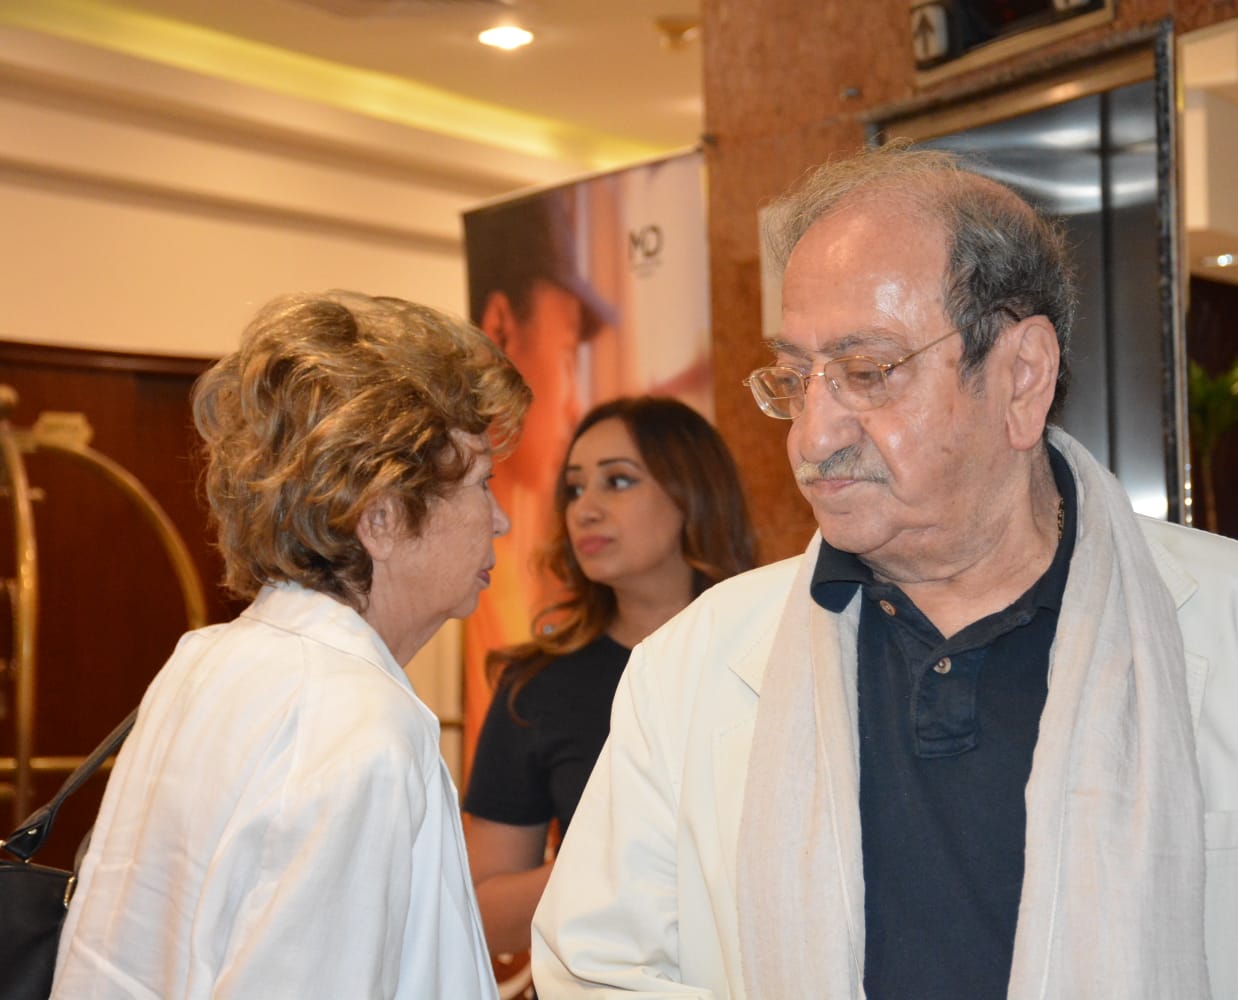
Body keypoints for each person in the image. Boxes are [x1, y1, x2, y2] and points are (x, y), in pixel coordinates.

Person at [531, 145, 1238, 998]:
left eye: (868, 372)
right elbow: (591, 971)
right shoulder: (692, 667)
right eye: (797, 379)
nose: (812, 437)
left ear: (1022, 377)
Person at [51, 291, 531, 999]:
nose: (501, 520)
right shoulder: (359, 725)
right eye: (481, 484)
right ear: (381, 518)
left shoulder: (207, 661)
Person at [463, 396, 757, 961]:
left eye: (618, 481)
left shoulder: (775, 653)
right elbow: (484, 919)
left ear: (693, 494)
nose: (585, 510)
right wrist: (622, 859)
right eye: (574, 489)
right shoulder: (535, 686)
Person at [463, 190, 621, 767]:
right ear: (500, 327)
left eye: (618, 482)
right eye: (566, 356)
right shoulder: (528, 675)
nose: (588, 509)